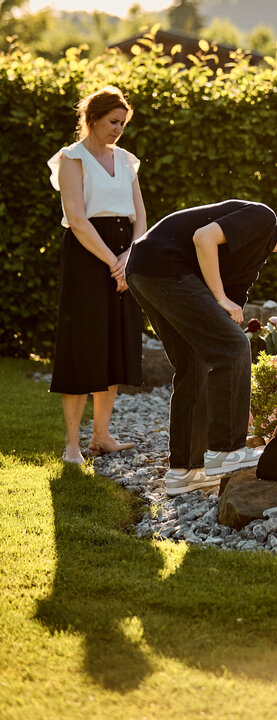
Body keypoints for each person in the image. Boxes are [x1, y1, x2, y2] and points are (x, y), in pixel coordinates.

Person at [125, 199, 277, 496]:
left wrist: (224, 308)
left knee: (194, 361)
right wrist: (220, 298)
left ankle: (185, 471)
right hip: (163, 267)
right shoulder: (263, 218)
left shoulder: (256, 256)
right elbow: (204, 237)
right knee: (235, 347)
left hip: (145, 269)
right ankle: (226, 450)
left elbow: (229, 312)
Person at [48, 85, 146, 464]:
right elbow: (76, 219)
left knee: (114, 345)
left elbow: (140, 215)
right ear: (92, 118)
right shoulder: (71, 159)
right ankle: (72, 444)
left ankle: (101, 436)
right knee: (82, 346)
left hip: (125, 254)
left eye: (123, 124)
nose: (118, 129)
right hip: (88, 257)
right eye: (113, 122)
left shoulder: (127, 161)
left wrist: (129, 256)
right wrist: (112, 262)